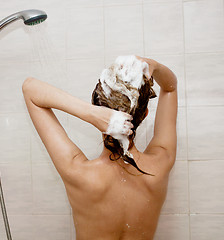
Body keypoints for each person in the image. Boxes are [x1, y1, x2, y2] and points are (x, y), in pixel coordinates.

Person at [22, 55, 178, 240]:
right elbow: (170, 87)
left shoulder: (77, 172)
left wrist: (91, 114)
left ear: (98, 109)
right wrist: (155, 65)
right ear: (144, 114)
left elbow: (30, 89)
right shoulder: (161, 163)